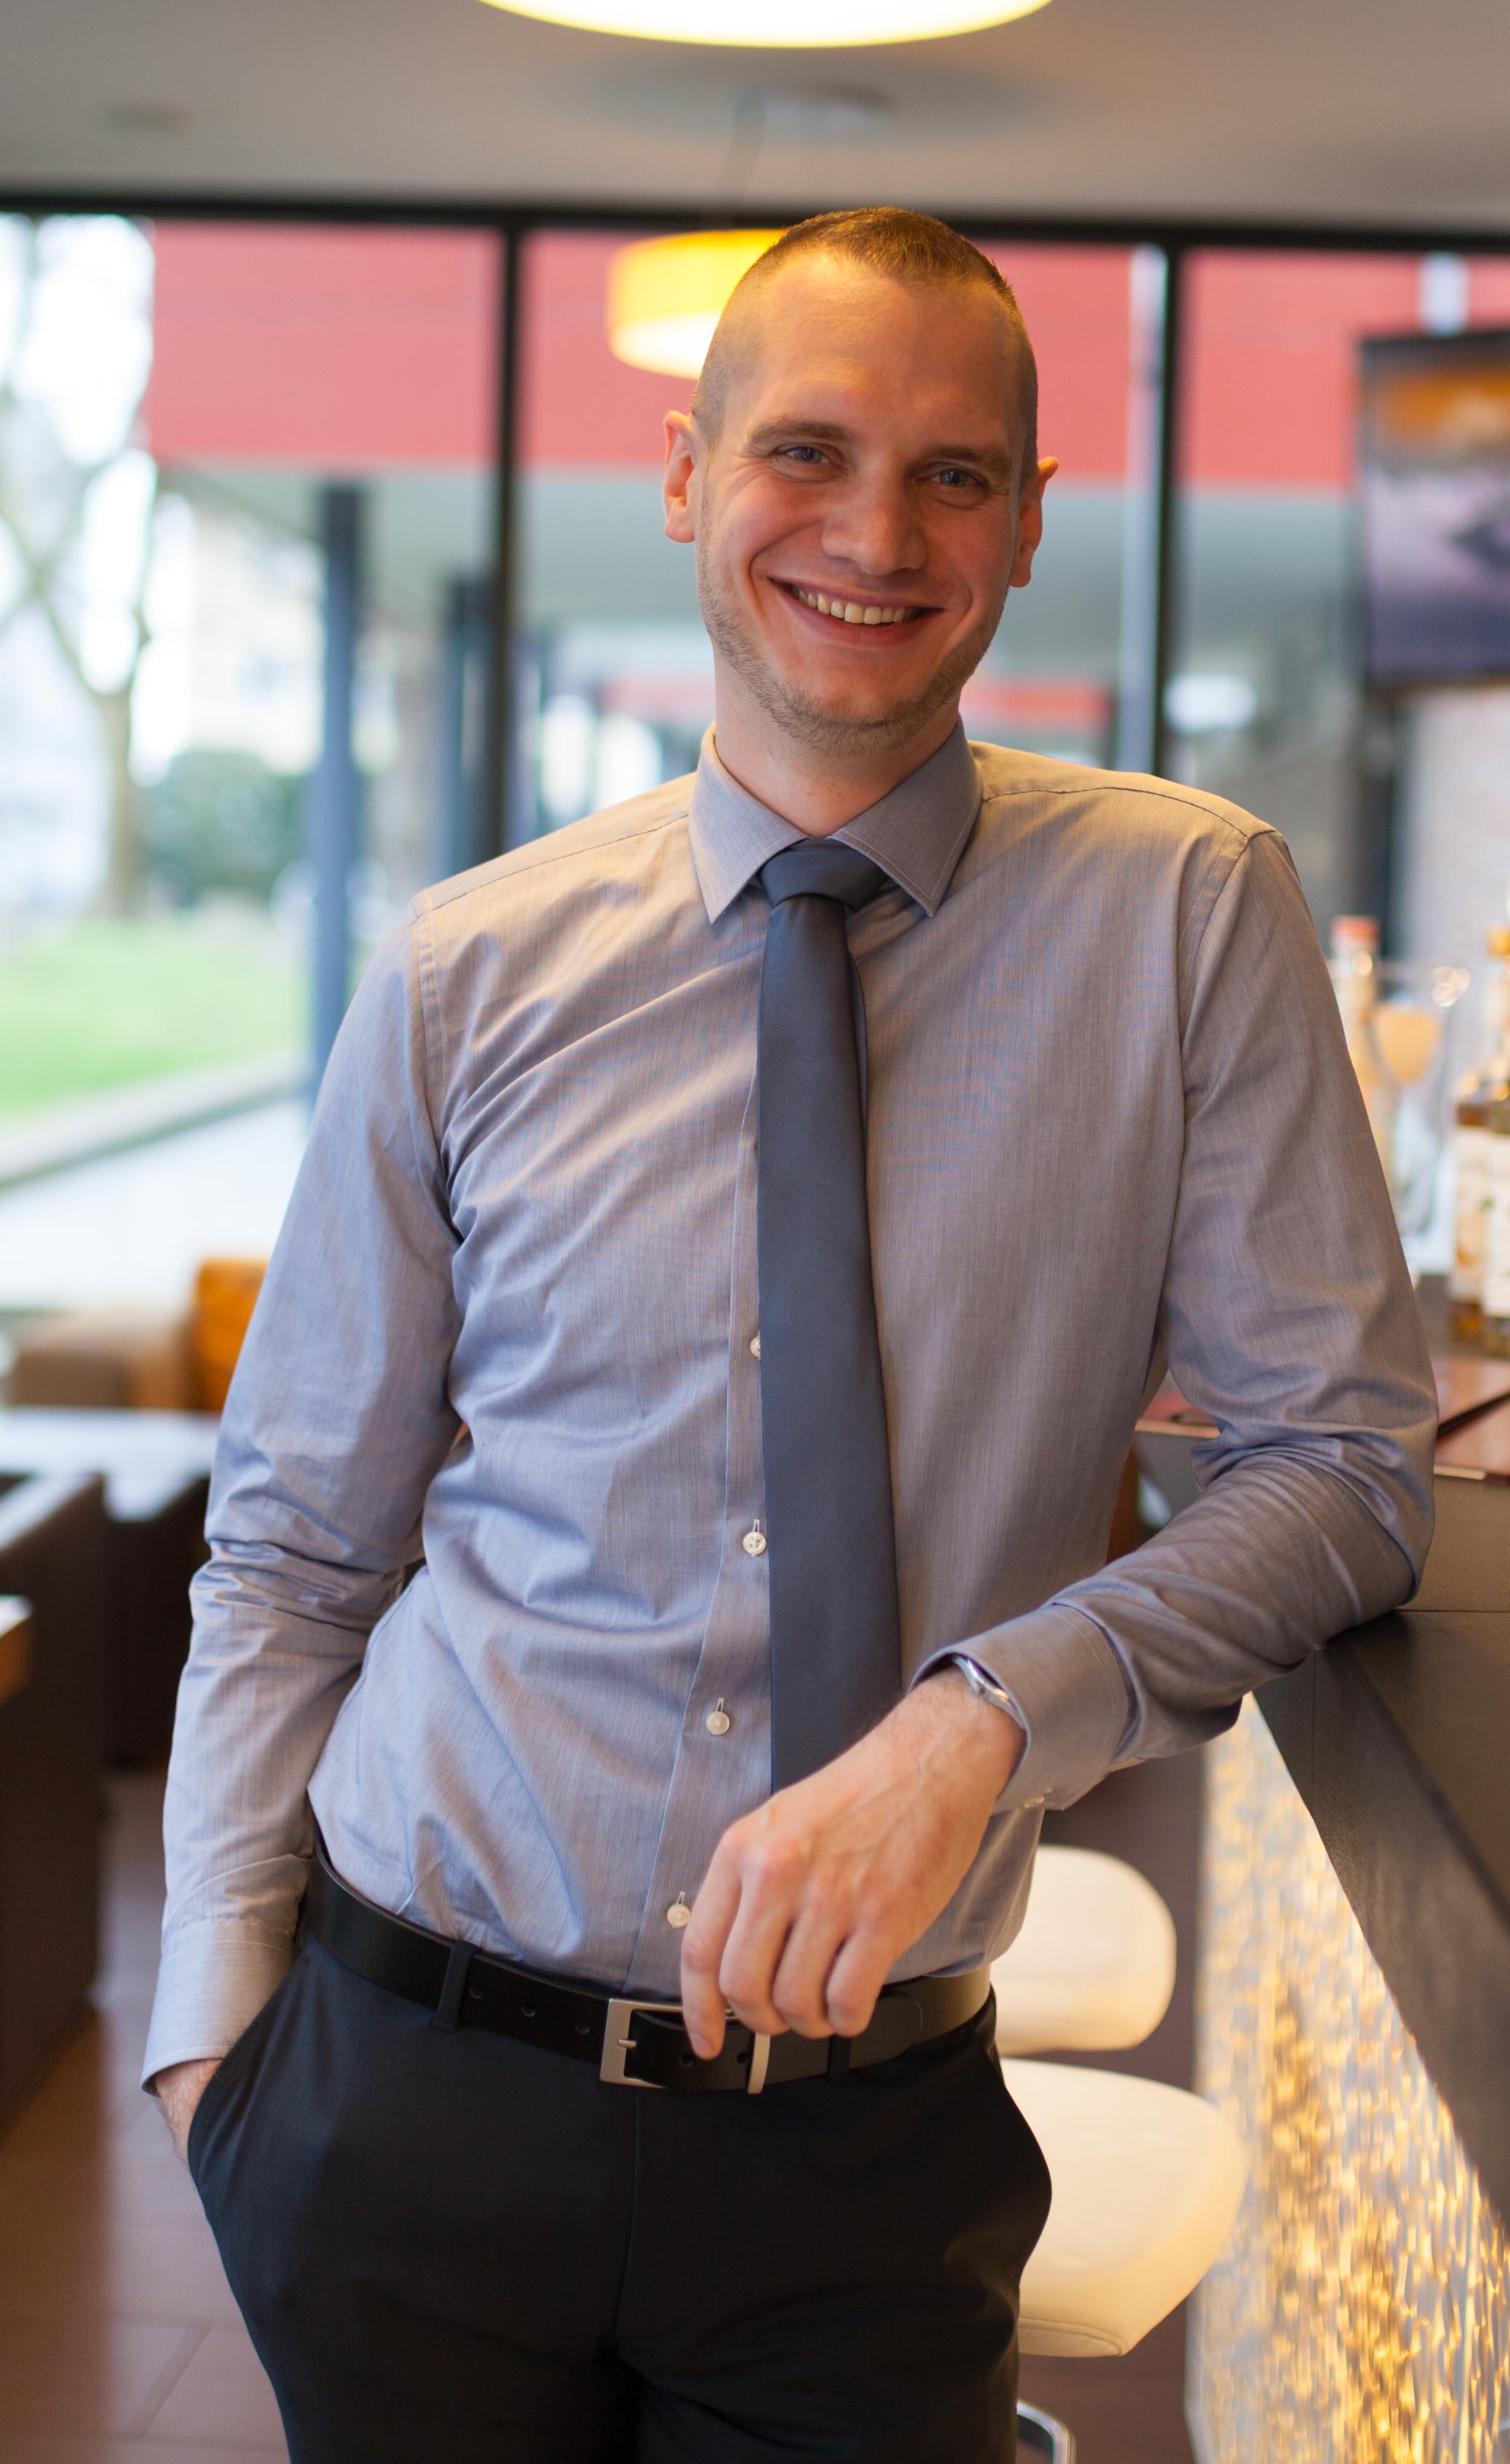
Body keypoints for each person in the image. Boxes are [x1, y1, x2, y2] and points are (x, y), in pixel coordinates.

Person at [151, 205, 1432, 2461]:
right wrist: (211, 2048)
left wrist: (974, 1730)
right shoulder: (470, 968)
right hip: (405, 2087)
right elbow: (294, 1552)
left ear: (1035, 525)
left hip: (866, 2139)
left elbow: (1342, 1461)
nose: (874, 531)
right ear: (686, 474)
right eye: (808, 450)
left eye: (956, 474)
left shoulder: (1189, 914)